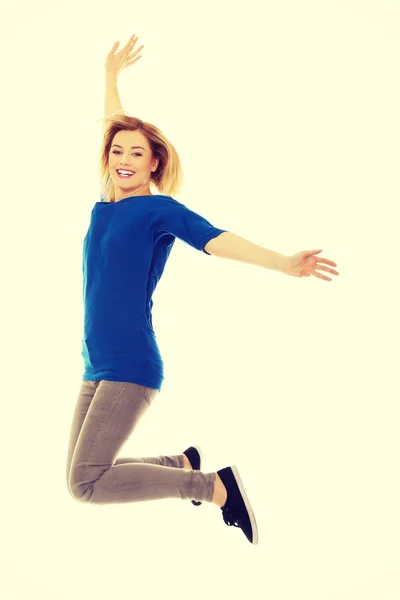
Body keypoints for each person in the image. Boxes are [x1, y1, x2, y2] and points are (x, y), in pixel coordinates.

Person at [65, 34, 339, 546]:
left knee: (86, 484)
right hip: (94, 364)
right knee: (82, 475)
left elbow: (215, 239)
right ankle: (184, 464)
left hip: (129, 364)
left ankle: (212, 486)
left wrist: (281, 262)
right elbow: (114, 127)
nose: (123, 158)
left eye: (136, 153)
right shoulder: (107, 203)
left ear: (155, 164)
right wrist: (109, 78)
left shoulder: (158, 210)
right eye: (116, 151)